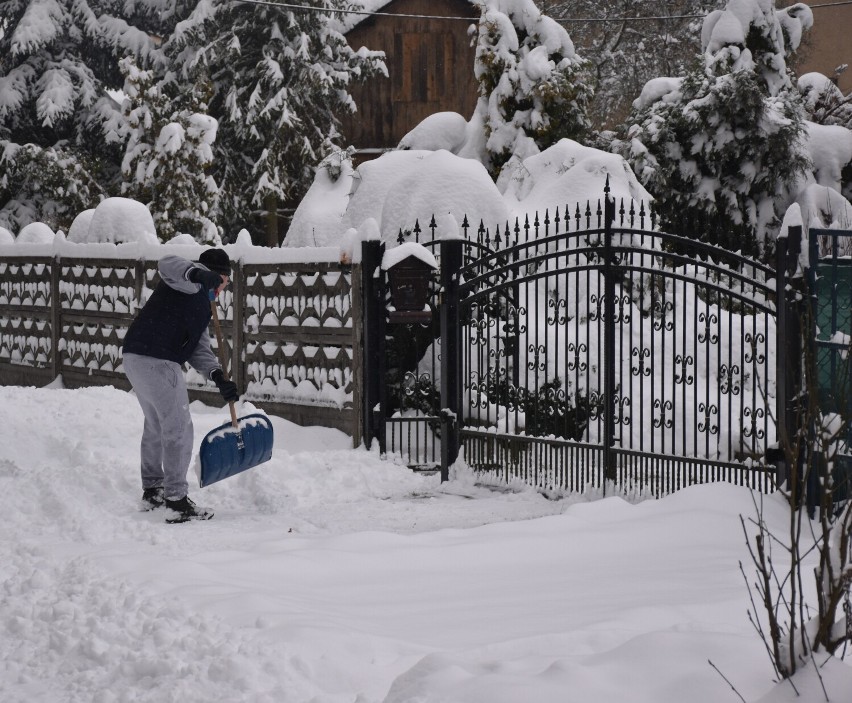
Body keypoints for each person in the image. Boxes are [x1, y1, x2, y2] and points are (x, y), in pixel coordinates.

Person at [122, 248, 239, 523]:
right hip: (157, 359)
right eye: (225, 281)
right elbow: (167, 263)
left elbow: (200, 350)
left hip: (136, 356)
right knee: (178, 427)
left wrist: (217, 376)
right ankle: (175, 499)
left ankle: (153, 489)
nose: (224, 288)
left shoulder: (202, 306)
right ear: (217, 275)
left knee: (156, 424)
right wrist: (200, 274)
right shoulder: (188, 281)